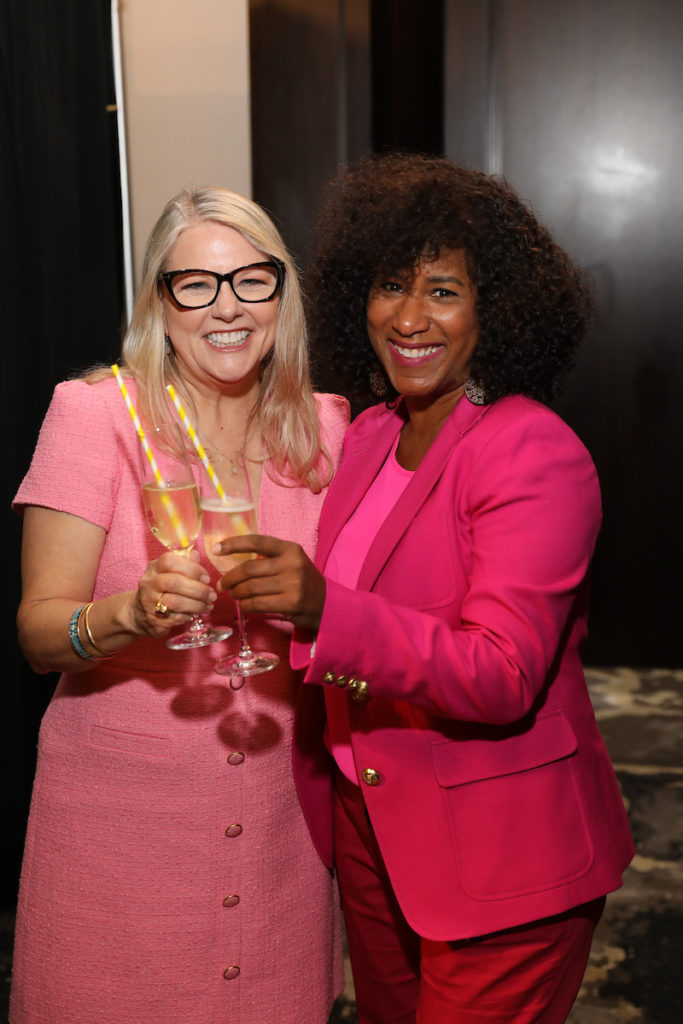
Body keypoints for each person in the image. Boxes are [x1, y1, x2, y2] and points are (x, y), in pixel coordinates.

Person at [215, 154, 636, 1023]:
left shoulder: (530, 451)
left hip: (501, 855)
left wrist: (327, 613)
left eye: (442, 292)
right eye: (389, 286)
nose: (408, 318)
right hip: (378, 829)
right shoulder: (371, 434)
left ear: (498, 310)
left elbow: (501, 673)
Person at [11, 185, 349, 1023]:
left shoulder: (327, 429)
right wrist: (128, 613)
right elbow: (38, 633)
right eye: (194, 284)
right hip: (119, 833)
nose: (225, 307)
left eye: (250, 281)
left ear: (282, 292)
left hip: (282, 829)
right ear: (159, 302)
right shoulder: (96, 415)